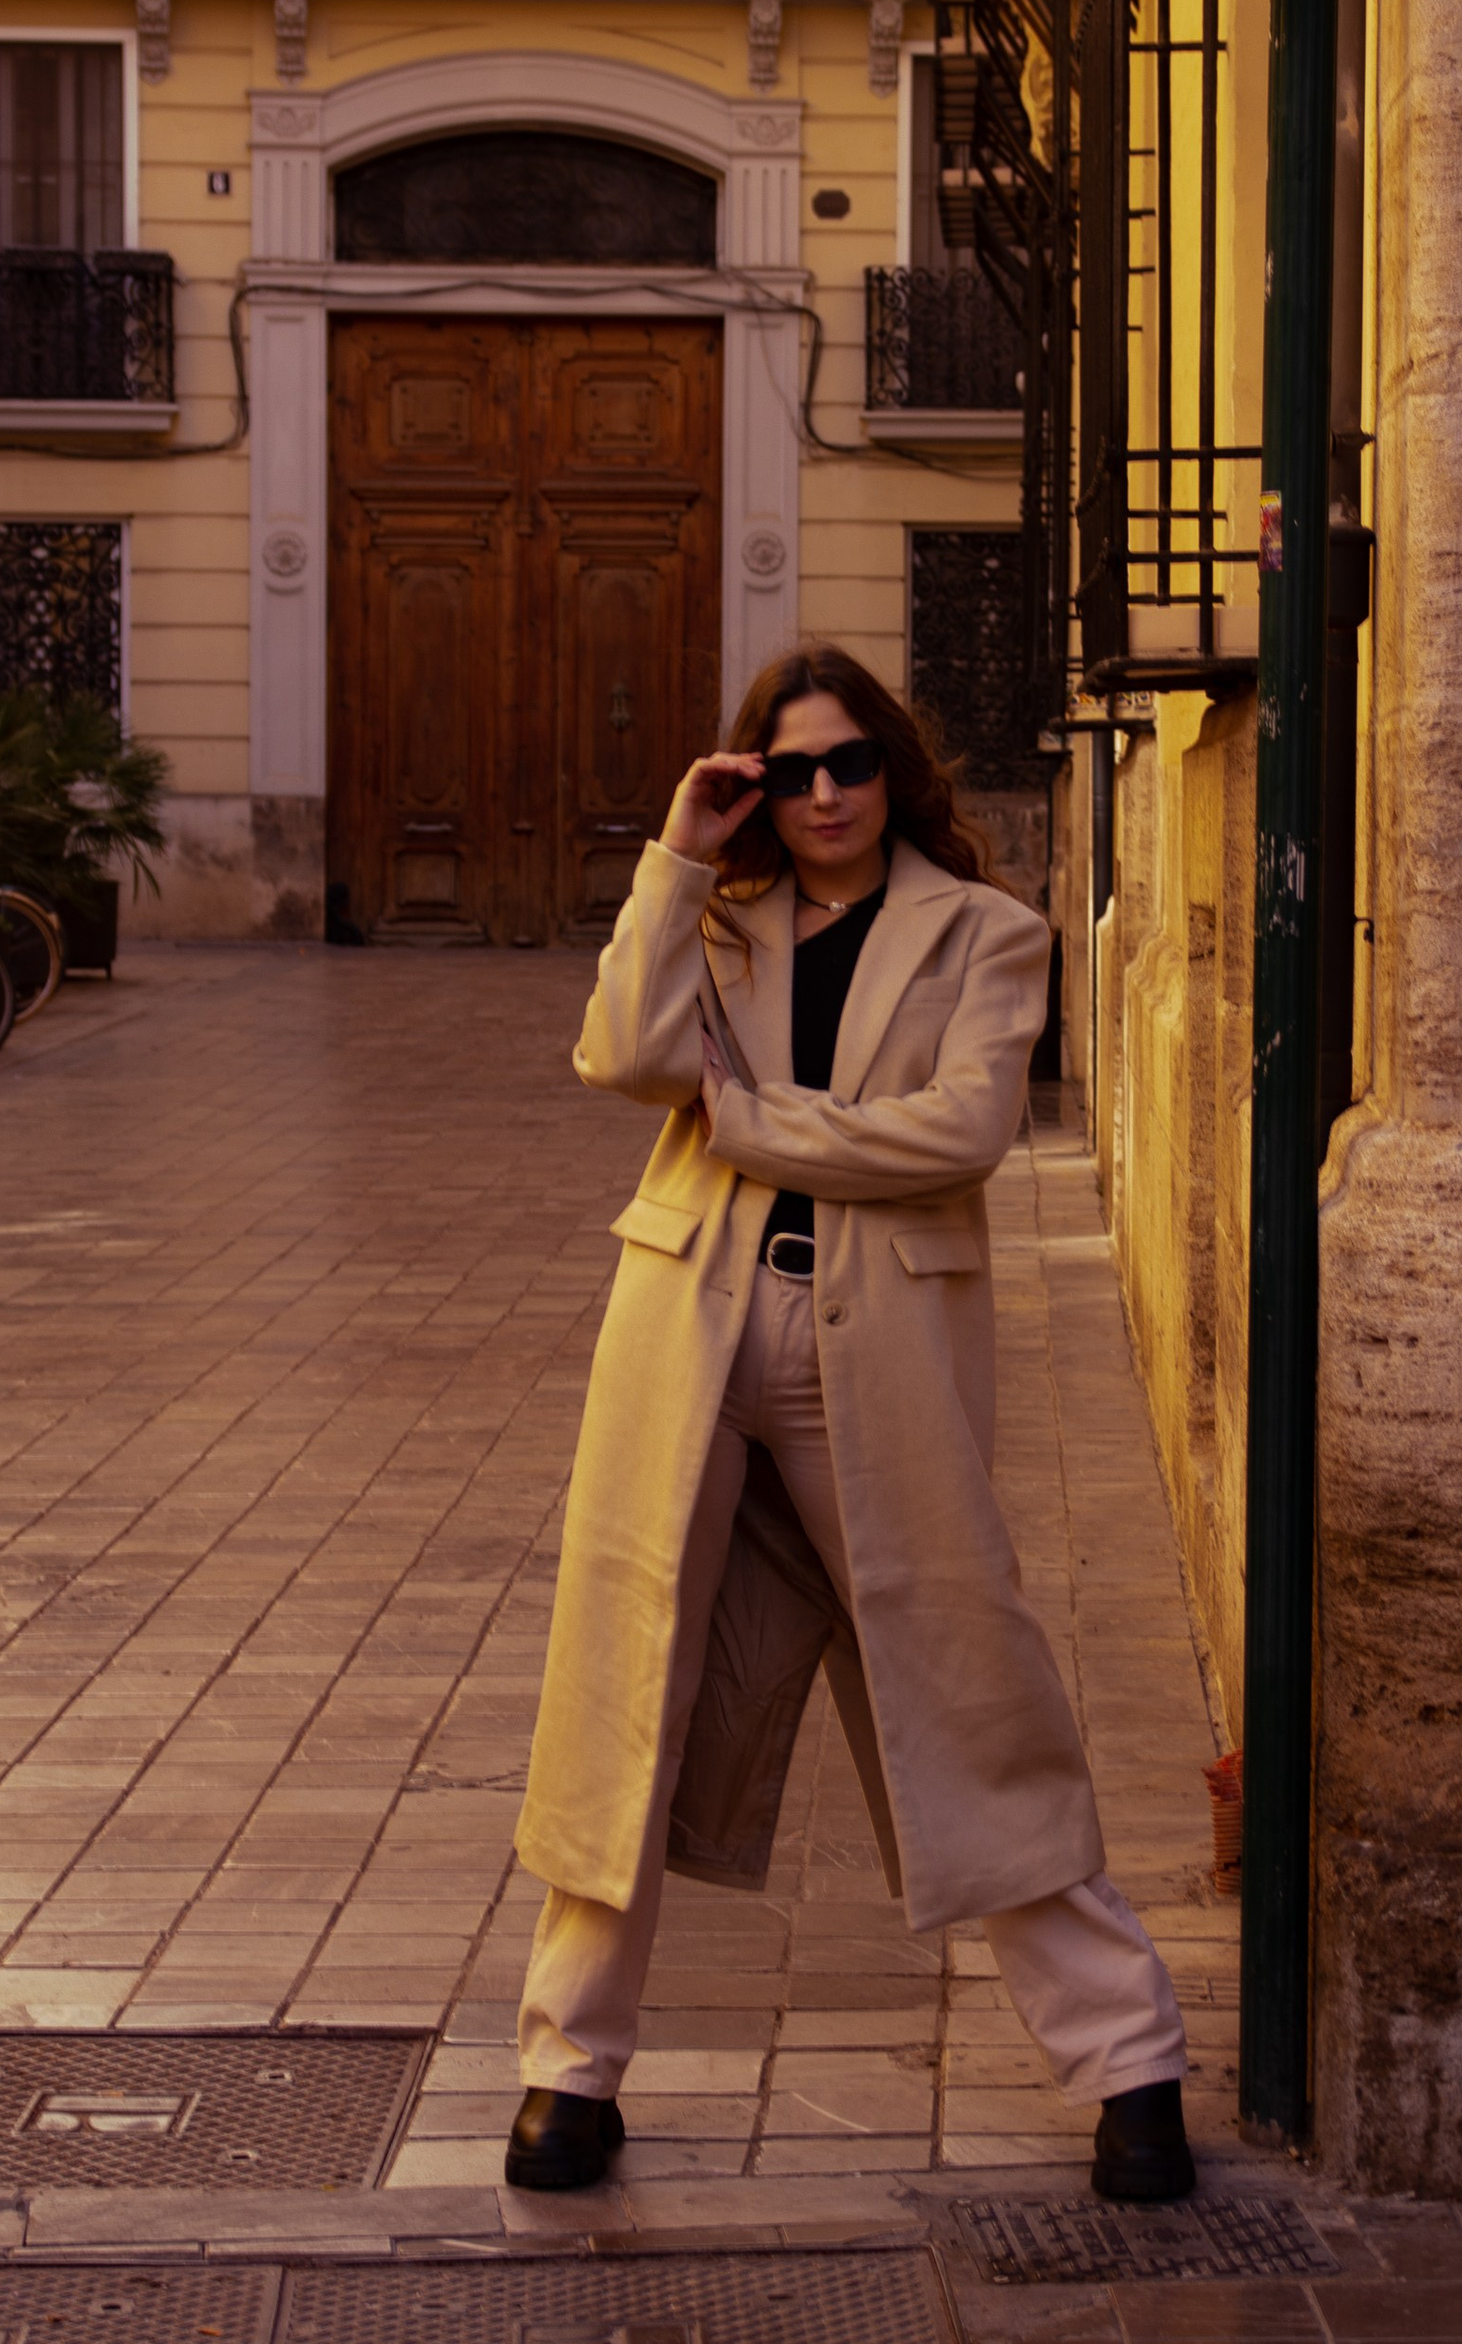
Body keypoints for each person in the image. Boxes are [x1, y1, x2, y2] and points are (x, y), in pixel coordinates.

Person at [506, 644, 1194, 2201]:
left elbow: (958, 1135)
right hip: (687, 1334)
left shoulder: (987, 932)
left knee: (965, 1676)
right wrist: (680, 855)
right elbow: (620, 1052)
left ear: (898, 770)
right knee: (631, 1678)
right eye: (790, 769)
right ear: (756, 783)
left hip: (873, 1354)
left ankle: (1127, 2062)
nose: (824, 795)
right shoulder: (717, 919)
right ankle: (566, 2068)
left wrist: (743, 1119)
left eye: (852, 764)